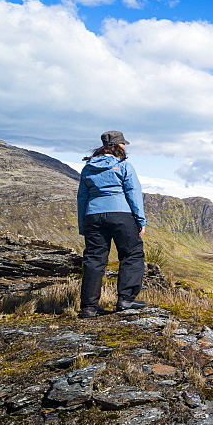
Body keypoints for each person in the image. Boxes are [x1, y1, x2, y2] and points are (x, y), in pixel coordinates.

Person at [76, 130, 148, 317]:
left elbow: (82, 197)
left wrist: (83, 225)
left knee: (94, 260)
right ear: (117, 145)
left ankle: (89, 307)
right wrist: (140, 220)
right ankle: (126, 299)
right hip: (121, 214)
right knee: (132, 254)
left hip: (93, 216)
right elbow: (133, 193)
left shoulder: (87, 168)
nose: (125, 147)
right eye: (123, 144)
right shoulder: (124, 166)